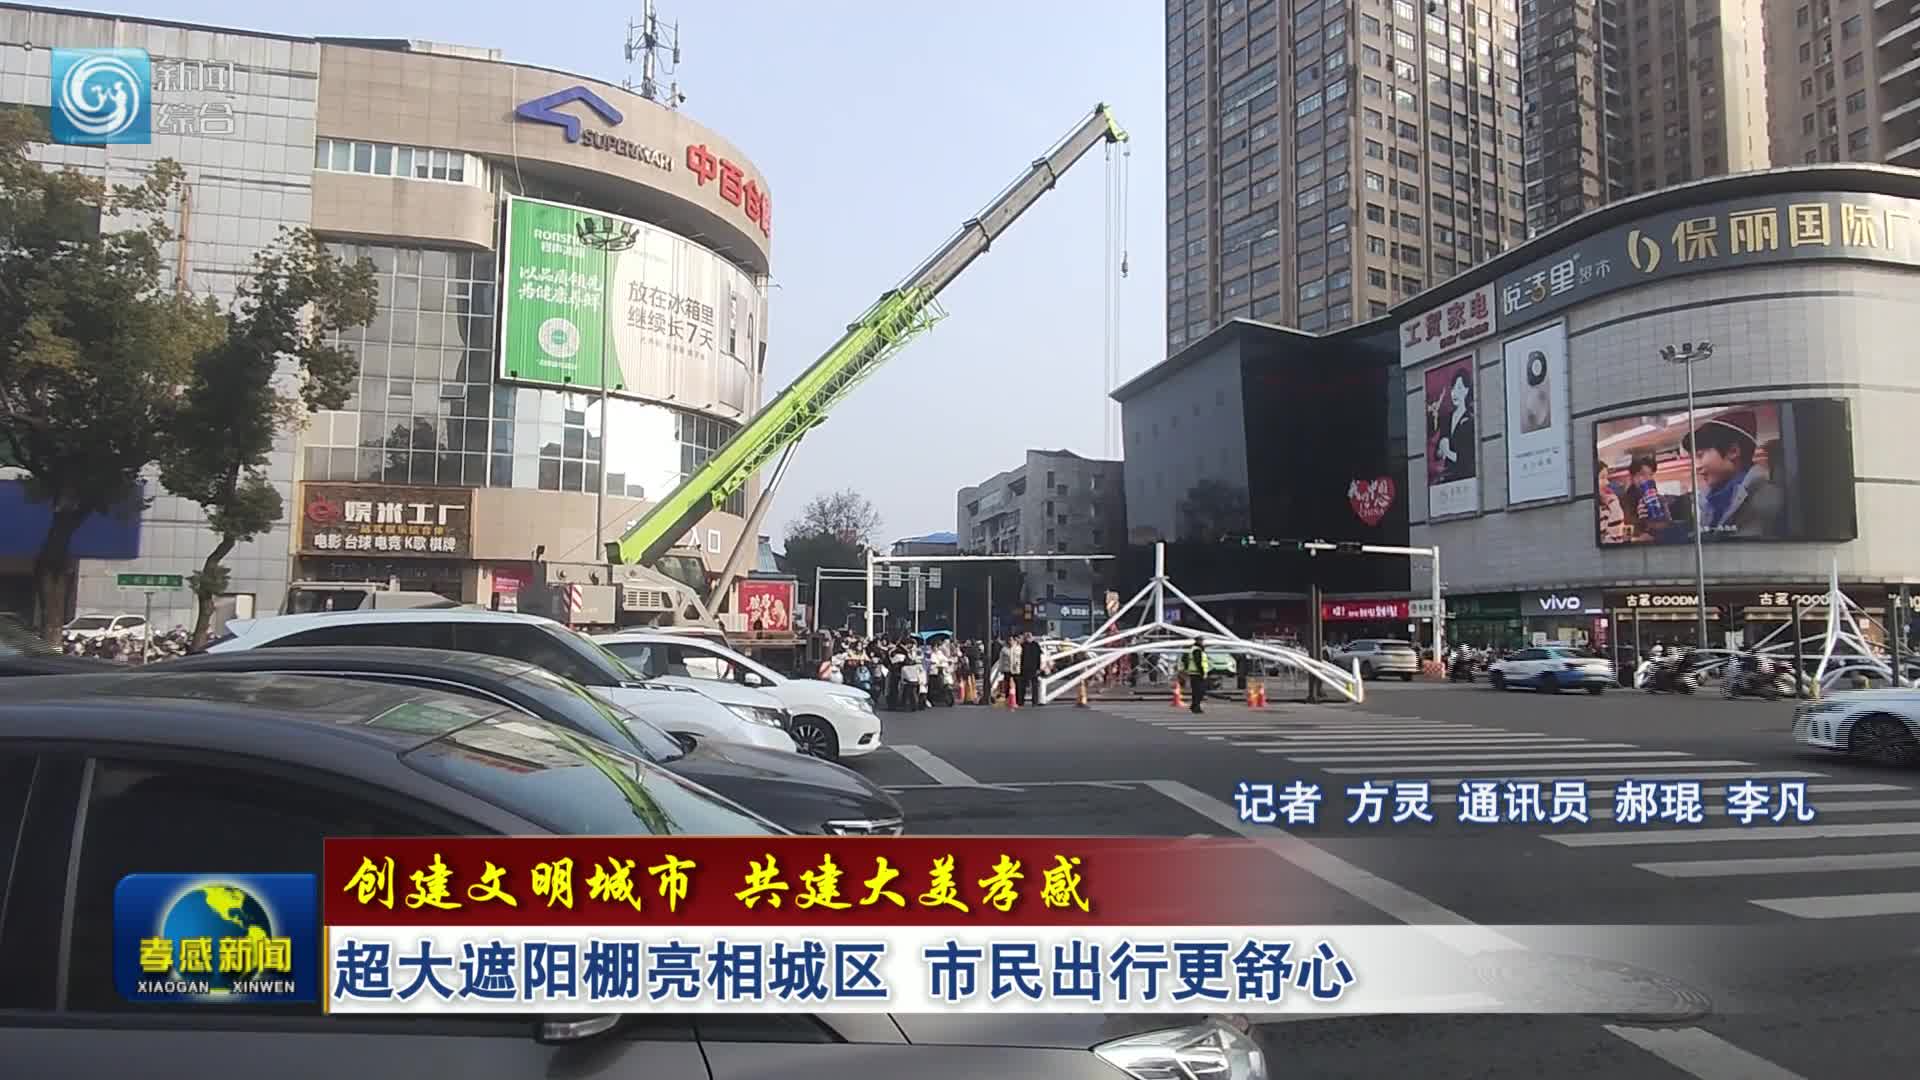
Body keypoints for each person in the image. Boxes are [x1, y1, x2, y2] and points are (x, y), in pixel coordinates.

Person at [1685, 410, 1786, 539]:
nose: (1696, 466)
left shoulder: (1768, 499)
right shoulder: (1710, 500)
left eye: (1700, 455)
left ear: (1733, 451)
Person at [1181, 640, 1210, 714]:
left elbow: (1184, 660)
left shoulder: (1193, 650)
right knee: (1200, 691)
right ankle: (1196, 707)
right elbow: (1198, 662)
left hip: (1194, 673)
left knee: (1196, 691)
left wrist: (1186, 668)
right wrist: (1202, 672)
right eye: (1202, 641)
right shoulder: (1197, 650)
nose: (1204, 643)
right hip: (1198, 673)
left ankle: (1194, 706)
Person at [1020, 633, 1044, 707]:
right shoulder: (1024, 645)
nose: (1028, 638)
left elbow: (1039, 658)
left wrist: (1038, 668)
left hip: (1032, 668)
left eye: (1029, 637)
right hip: (1025, 668)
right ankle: (1022, 701)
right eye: (1027, 637)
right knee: (1024, 686)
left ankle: (1034, 701)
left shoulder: (1034, 645)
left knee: (1033, 685)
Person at [1002, 634, 1022, 705]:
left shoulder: (1019, 648)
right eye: (1009, 640)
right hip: (1007, 669)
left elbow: (1021, 659)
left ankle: (1017, 700)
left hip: (1016, 670)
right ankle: (1008, 699)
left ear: (1014, 640)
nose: (1010, 641)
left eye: (1011, 640)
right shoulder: (1004, 649)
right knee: (1007, 685)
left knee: (1017, 685)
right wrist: (1001, 669)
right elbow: (1001, 660)